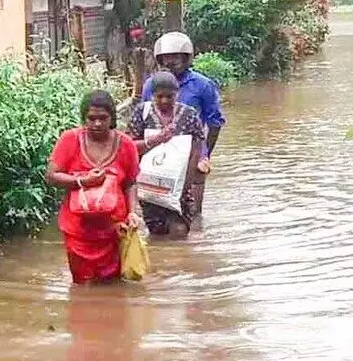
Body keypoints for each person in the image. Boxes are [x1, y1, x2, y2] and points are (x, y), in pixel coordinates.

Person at [46, 89, 142, 285]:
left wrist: (133, 212)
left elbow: (131, 182)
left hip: (115, 229)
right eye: (91, 118)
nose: (97, 123)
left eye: (103, 118)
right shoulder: (69, 140)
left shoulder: (126, 145)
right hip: (78, 230)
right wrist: (83, 181)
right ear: (84, 118)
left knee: (114, 285)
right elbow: (51, 176)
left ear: (112, 118)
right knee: (81, 284)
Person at [127, 71, 208, 235]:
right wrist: (156, 139)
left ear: (177, 94)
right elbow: (128, 147)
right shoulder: (141, 113)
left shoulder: (189, 115)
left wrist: (185, 185)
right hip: (149, 187)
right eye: (159, 96)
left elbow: (196, 150)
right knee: (156, 232)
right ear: (152, 95)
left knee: (180, 229)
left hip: (180, 188)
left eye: (170, 96)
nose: (164, 101)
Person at [143, 32, 224, 156]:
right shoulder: (150, 85)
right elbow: (143, 119)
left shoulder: (203, 85)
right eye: (166, 57)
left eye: (175, 57)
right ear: (160, 59)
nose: (170, 61)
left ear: (185, 58)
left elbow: (215, 124)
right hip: (156, 152)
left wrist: (204, 155)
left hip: (190, 153)